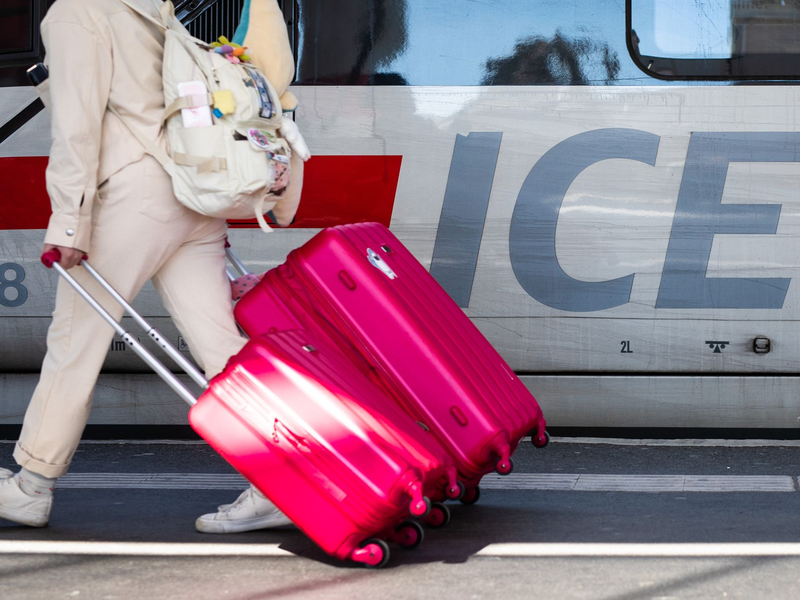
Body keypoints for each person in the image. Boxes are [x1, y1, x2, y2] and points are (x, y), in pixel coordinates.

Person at [0, 0, 298, 534]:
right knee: (223, 351)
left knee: (76, 342)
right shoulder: (155, 10)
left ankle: (31, 486)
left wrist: (70, 221)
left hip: (132, 200)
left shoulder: (75, 12)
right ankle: (282, 480)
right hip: (192, 195)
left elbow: (77, 127)